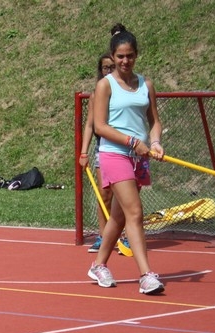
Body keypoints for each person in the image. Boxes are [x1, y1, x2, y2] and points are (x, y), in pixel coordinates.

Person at [89, 23, 164, 295]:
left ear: (136, 55)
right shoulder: (105, 85)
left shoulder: (146, 84)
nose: (125, 61)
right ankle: (146, 275)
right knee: (135, 212)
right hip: (114, 153)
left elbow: (154, 120)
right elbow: (100, 126)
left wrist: (154, 142)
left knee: (119, 217)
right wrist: (133, 141)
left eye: (130, 55)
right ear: (112, 56)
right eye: (120, 56)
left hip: (139, 158)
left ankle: (98, 265)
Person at [80, 52, 128, 253]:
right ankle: (103, 235)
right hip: (104, 150)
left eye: (111, 67)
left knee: (125, 197)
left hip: (125, 150)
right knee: (104, 195)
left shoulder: (125, 91)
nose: (108, 70)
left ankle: (124, 236)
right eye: (105, 68)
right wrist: (84, 152)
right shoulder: (96, 94)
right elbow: (90, 125)